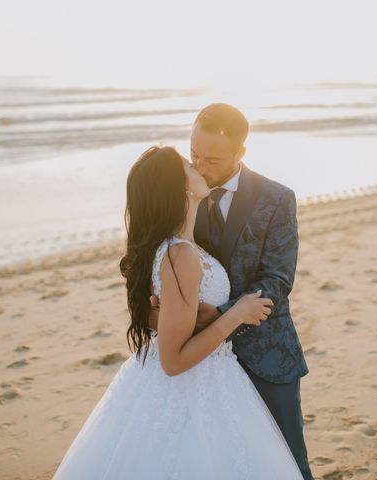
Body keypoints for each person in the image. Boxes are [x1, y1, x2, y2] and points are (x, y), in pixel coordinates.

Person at [52, 145, 304, 479]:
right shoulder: (180, 254)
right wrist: (236, 313)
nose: (197, 165)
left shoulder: (181, 244)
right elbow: (174, 361)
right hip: (193, 379)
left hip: (215, 377)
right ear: (179, 188)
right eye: (188, 164)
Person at [150, 103, 313, 480]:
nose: (200, 168)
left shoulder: (277, 199)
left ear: (241, 153)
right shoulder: (177, 192)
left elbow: (278, 279)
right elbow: (151, 257)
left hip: (267, 353)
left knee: (288, 463)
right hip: (202, 366)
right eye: (193, 155)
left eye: (212, 160)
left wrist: (222, 313)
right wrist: (152, 307)